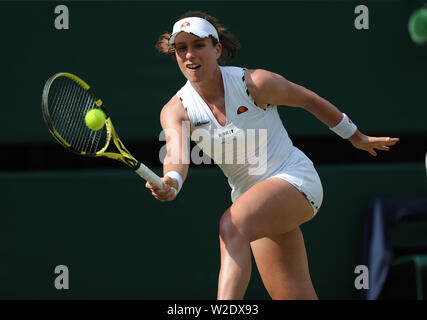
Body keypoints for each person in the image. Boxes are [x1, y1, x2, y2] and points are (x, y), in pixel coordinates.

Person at [147, 11, 399, 300]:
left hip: (294, 180)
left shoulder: (255, 83)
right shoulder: (176, 110)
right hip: (251, 200)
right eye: (181, 48)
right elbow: (176, 155)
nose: (189, 55)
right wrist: (172, 181)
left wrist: (356, 137)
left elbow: (309, 100)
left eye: (198, 45)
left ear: (217, 49)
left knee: (231, 226)